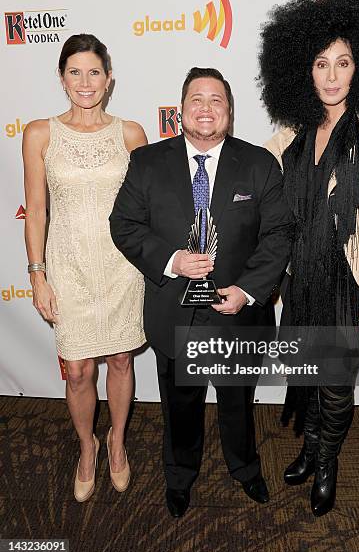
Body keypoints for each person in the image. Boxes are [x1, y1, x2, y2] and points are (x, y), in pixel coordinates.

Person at [259, 0, 359, 516]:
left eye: (342, 63)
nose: (330, 76)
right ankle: (308, 445)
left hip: (350, 277)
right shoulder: (291, 132)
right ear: (303, 69)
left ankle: (327, 461)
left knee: (335, 381)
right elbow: (255, 177)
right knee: (305, 366)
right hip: (301, 277)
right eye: (320, 63)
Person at [110, 67, 294, 517]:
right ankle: (179, 477)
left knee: (238, 403)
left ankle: (246, 468)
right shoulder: (148, 162)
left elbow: (279, 233)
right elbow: (124, 224)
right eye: (197, 99)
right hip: (175, 311)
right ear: (180, 110)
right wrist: (170, 260)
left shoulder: (258, 163)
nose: (206, 108)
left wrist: (248, 291)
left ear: (229, 112)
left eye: (217, 100)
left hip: (237, 314)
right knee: (179, 405)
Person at [23, 34, 147, 502]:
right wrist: (37, 275)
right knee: (76, 370)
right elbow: (36, 211)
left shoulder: (131, 133)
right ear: (61, 78)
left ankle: (116, 441)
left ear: (109, 77)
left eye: (94, 71)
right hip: (68, 267)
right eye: (74, 72)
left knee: (119, 358)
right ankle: (86, 445)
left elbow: (147, 207)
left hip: (121, 267)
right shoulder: (40, 133)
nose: (85, 81)